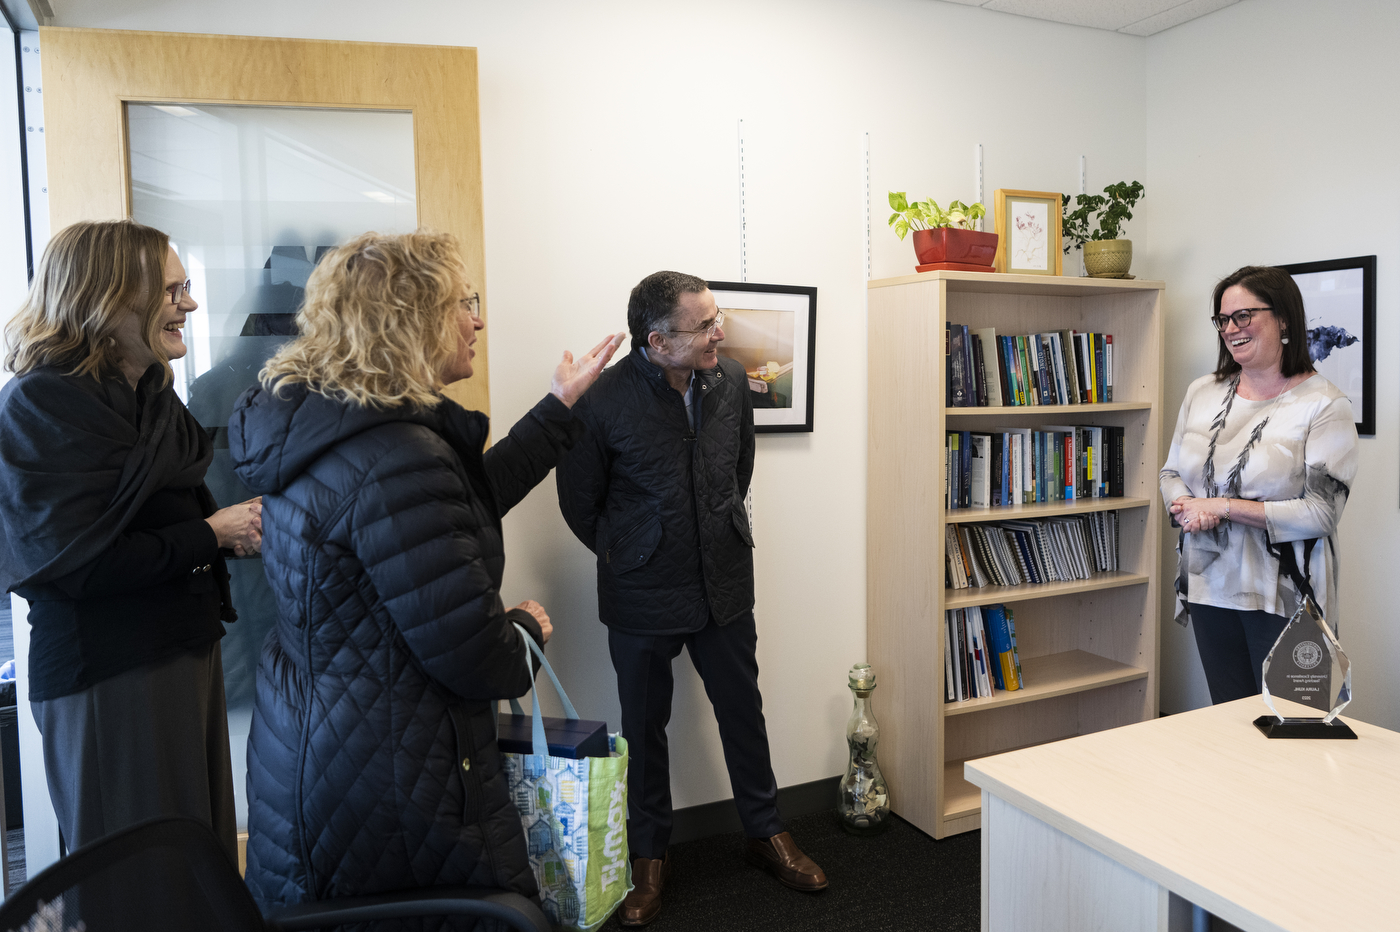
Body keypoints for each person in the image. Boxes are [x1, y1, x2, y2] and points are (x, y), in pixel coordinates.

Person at [228, 230, 622, 912]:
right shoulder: (395, 455)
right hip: (394, 771)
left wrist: (558, 410)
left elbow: (450, 515)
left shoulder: (333, 427)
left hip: (328, 744)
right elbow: (479, 657)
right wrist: (523, 628)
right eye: (462, 301)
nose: (477, 319)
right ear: (408, 318)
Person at [556, 270, 827, 928]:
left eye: (717, 317)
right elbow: (578, 503)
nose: (719, 332)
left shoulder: (730, 381)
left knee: (743, 712)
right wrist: (634, 551)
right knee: (643, 727)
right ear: (656, 340)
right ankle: (649, 856)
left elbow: (739, 468)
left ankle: (766, 833)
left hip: (725, 582)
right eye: (703, 326)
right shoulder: (602, 400)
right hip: (641, 592)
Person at [0, 219, 262, 864]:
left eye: (187, 288)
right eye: (172, 292)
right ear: (109, 296)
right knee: (139, 882)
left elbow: (141, 525)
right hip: (108, 673)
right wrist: (209, 534)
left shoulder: (151, 399)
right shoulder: (41, 407)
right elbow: (72, 565)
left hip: (183, 651)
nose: (190, 306)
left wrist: (220, 537)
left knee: (195, 869)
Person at [1160, 265, 1358, 705]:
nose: (1232, 329)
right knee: (1232, 721)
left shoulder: (1324, 404)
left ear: (1283, 319)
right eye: (1224, 320)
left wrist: (1223, 507)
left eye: (1244, 316)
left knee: (1299, 727)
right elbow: (1170, 473)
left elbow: (1321, 512)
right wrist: (1186, 506)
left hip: (1286, 595)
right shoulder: (1202, 391)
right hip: (1210, 584)